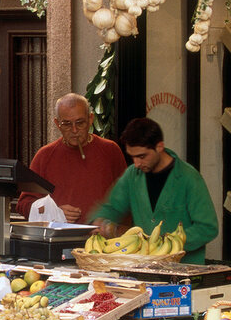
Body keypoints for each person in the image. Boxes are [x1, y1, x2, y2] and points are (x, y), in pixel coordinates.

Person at [91, 117, 219, 264]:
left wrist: (168, 242)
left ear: (159, 147)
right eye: (132, 157)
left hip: (185, 270)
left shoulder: (189, 177)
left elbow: (207, 228)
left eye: (142, 156)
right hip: (143, 268)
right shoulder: (132, 174)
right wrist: (98, 221)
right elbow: (112, 207)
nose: (137, 163)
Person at [16, 93, 127, 224]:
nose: (74, 130)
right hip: (60, 240)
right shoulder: (45, 156)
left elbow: (127, 197)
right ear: (57, 124)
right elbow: (24, 204)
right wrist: (55, 212)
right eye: (67, 124)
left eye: (80, 123)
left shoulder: (110, 151)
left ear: (90, 119)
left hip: (103, 240)